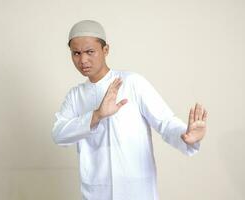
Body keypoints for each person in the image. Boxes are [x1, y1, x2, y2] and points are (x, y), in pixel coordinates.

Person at [52, 20, 208, 200]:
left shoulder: (132, 83)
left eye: (90, 52)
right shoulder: (75, 96)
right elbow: (58, 135)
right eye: (76, 53)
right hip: (96, 192)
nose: (83, 60)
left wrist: (187, 136)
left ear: (105, 50)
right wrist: (96, 115)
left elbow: (165, 122)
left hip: (137, 191)